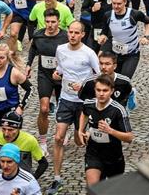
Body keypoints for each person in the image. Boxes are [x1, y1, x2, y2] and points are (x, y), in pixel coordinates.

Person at [49, 22, 99, 195]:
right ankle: (57, 179)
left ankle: (95, 170)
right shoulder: (61, 49)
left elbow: (100, 75)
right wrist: (57, 73)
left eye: (76, 33)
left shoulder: (89, 53)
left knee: (80, 141)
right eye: (70, 32)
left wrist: (84, 84)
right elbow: (60, 68)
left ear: (82, 35)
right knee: (58, 137)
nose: (72, 35)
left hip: (83, 103)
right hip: (65, 99)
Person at [78, 75, 134, 186]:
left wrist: (110, 131)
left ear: (112, 91)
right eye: (98, 90)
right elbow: (84, 114)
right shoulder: (89, 104)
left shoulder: (118, 110)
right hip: (93, 154)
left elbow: (129, 137)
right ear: (94, 90)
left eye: (105, 90)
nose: (101, 94)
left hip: (113, 157)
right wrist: (80, 130)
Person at [26, 9, 68, 152]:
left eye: (53, 22)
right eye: (47, 22)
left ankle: (64, 130)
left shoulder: (65, 37)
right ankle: (43, 141)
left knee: (63, 109)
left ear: (58, 22)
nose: (50, 25)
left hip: (62, 76)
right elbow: (33, 49)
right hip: (44, 75)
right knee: (44, 109)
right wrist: (28, 65)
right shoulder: (38, 35)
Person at [97, 0, 149, 80]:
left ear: (125, 2)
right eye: (114, 3)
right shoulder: (108, 15)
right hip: (115, 54)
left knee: (124, 80)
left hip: (131, 54)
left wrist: (146, 36)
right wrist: (103, 36)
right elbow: (105, 31)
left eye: (119, 4)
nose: (116, 6)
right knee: (111, 79)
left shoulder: (134, 14)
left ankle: (129, 92)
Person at [0, 111, 47, 182]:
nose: (6, 134)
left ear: (19, 129)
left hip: (21, 182)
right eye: (4, 129)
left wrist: (33, 179)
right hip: (0, 179)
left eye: (10, 130)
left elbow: (43, 163)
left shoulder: (29, 140)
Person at [0, 42, 31, 132]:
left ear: (7, 58)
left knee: (9, 139)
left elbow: (30, 89)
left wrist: (21, 107)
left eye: (2, 58)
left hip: (11, 111)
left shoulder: (14, 73)